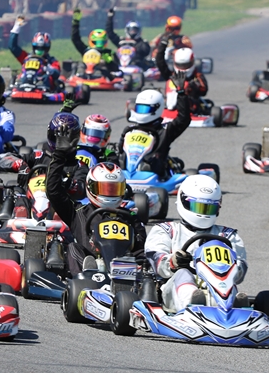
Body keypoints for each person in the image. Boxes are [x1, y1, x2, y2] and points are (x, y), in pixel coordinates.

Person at [46, 117, 147, 276]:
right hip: (90, 274)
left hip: (125, 271)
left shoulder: (130, 217)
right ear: (91, 187)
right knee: (73, 248)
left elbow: (141, 249)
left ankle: (127, 277)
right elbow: (53, 192)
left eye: (114, 189)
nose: (109, 193)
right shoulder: (79, 213)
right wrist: (59, 155)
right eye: (104, 188)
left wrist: (142, 265)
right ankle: (87, 274)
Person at [145, 174, 247, 313]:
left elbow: (241, 268)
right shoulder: (166, 230)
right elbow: (156, 260)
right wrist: (173, 262)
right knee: (184, 273)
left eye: (209, 208)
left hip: (217, 287)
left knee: (227, 282)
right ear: (184, 201)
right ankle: (192, 304)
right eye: (198, 207)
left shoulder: (227, 235)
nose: (203, 213)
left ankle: (233, 307)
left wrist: (233, 268)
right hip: (173, 291)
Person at [117, 77, 190, 179]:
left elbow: (183, 119)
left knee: (152, 161)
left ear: (157, 108)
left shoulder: (164, 130)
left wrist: (181, 93)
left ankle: (146, 169)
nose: (142, 112)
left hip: (155, 173)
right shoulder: (129, 130)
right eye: (140, 109)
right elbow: (120, 150)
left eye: (146, 109)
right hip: (125, 171)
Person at [155, 30, 208, 113]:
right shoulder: (171, 76)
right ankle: (169, 107)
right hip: (169, 105)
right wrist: (163, 45)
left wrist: (193, 86)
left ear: (192, 62)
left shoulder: (196, 76)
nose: (183, 67)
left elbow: (203, 91)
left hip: (190, 107)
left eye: (185, 65)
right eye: (180, 65)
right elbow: (160, 61)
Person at [8, 16, 61, 87]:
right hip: (25, 84)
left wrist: (48, 68)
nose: (40, 50)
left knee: (48, 78)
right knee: (18, 77)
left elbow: (56, 72)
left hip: (43, 87)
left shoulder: (51, 61)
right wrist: (17, 27)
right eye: (37, 47)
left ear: (47, 48)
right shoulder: (26, 57)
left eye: (43, 48)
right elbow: (12, 47)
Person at [71, 9, 120, 79]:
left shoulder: (109, 53)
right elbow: (75, 39)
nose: (99, 44)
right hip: (85, 75)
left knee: (103, 64)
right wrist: (75, 22)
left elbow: (117, 69)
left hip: (103, 77)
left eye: (101, 42)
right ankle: (76, 76)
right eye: (96, 42)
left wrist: (109, 62)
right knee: (77, 65)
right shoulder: (86, 50)